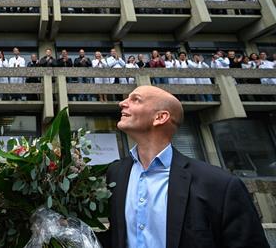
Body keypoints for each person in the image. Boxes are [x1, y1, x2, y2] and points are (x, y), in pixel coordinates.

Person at [99, 85, 269, 248]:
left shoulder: (220, 185)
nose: (121, 103)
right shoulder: (116, 173)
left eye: (136, 99)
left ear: (160, 117)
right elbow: (118, 236)